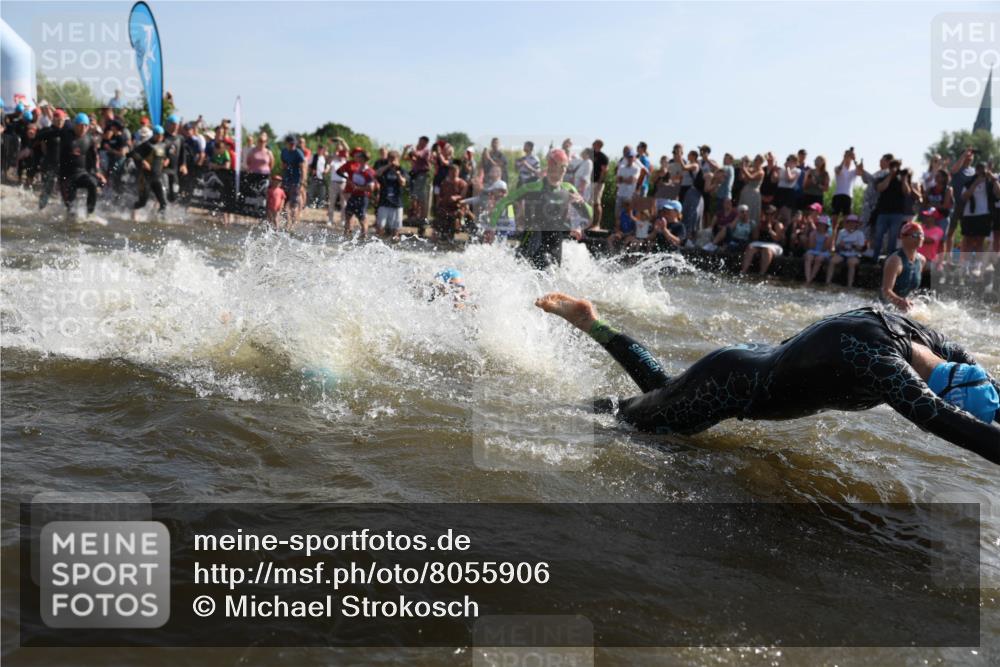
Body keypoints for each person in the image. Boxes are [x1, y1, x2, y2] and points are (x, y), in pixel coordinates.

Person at [534, 293, 1000, 464]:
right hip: (729, 386)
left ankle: (590, 320)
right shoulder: (879, 361)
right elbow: (938, 417)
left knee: (662, 390)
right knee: (629, 419)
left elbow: (978, 384)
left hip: (745, 360)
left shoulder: (924, 338)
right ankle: (545, 408)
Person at [487, 148, 592, 269]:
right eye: (561, 166)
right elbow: (504, 202)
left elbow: (588, 214)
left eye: (566, 166)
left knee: (552, 279)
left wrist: (582, 203)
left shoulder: (568, 189)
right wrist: (492, 227)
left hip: (555, 244)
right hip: (532, 240)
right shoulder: (532, 188)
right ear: (551, 165)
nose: (564, 170)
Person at [59, 113, 106, 220]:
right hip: (66, 177)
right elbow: (51, 131)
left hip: (81, 174)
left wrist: (98, 171)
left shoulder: (89, 139)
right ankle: (68, 223)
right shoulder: (65, 134)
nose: (83, 129)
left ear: (88, 127)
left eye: (85, 126)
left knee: (93, 184)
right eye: (80, 126)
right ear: (75, 125)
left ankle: (90, 214)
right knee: (71, 210)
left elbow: (95, 157)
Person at [957, 162, 996, 273]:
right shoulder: (969, 182)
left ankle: (977, 266)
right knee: (968, 241)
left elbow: (998, 193)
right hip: (969, 214)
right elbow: (964, 197)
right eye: (978, 169)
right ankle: (965, 265)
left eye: (982, 169)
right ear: (976, 170)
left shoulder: (990, 182)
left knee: (979, 242)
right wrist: (976, 183)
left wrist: (993, 178)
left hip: (984, 214)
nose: (981, 172)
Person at [880, 221, 926, 312]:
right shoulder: (895, 260)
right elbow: (886, 291)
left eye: (922, 234)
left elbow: (911, 290)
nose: (920, 238)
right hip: (886, 308)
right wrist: (900, 302)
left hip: (906, 307)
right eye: (915, 235)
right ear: (903, 237)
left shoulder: (921, 260)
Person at [872, 159, 912, 259]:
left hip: (897, 213)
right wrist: (890, 176)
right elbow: (880, 188)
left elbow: (907, 192)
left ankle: (889, 259)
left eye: (897, 166)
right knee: (878, 236)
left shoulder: (902, 179)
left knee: (892, 237)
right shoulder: (883, 177)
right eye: (893, 166)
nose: (895, 168)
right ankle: (875, 257)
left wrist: (904, 180)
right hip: (883, 212)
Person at [336, 147, 377, 238]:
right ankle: (347, 235)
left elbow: (371, 188)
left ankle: (364, 236)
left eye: (358, 156)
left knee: (362, 218)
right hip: (353, 196)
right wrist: (350, 181)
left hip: (362, 197)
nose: (356, 157)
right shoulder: (358, 169)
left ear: (362, 159)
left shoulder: (369, 172)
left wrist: (357, 187)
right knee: (348, 214)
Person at [131, 124, 169, 219]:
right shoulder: (147, 145)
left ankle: (159, 218)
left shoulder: (163, 145)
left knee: (163, 203)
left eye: (161, 135)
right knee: (143, 202)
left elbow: (165, 156)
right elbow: (134, 153)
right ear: (154, 134)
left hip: (157, 178)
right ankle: (133, 211)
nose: (160, 137)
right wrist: (143, 161)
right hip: (146, 178)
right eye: (158, 135)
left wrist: (167, 160)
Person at [740, 205, 785, 275]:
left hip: (774, 245)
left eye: (771, 214)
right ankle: (743, 271)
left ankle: (762, 273)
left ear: (774, 214)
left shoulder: (778, 224)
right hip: (760, 243)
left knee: (766, 250)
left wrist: (770, 230)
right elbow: (755, 237)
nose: (768, 216)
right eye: (767, 214)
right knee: (750, 248)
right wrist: (758, 228)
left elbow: (778, 239)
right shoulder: (761, 223)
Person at [826, 214, 866, 287]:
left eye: (854, 222)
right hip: (842, 253)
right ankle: (828, 282)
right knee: (832, 261)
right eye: (850, 222)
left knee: (851, 263)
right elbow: (837, 246)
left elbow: (861, 248)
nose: (852, 224)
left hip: (855, 254)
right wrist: (841, 246)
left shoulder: (860, 234)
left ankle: (849, 285)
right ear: (847, 223)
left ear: (856, 224)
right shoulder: (842, 232)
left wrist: (853, 246)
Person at [375, 150, 407, 238]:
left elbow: (403, 183)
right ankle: (378, 246)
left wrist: (398, 175)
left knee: (396, 230)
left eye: (394, 159)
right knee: (380, 227)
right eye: (390, 159)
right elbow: (376, 173)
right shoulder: (384, 169)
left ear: (398, 159)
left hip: (397, 204)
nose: (392, 161)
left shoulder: (401, 170)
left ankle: (394, 248)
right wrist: (388, 165)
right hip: (384, 202)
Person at [434, 162, 467, 241]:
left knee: (454, 218)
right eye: (452, 171)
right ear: (449, 172)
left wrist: (456, 197)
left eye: (455, 171)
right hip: (445, 208)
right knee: (440, 220)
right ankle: (442, 239)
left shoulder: (462, 183)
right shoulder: (444, 183)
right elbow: (440, 196)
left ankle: (458, 226)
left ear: (458, 172)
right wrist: (438, 206)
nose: (454, 173)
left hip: (456, 208)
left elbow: (464, 196)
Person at [404, 136, 432, 224]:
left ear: (425, 143)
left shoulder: (426, 151)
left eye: (421, 141)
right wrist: (405, 149)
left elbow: (418, 155)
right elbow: (404, 158)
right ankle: (414, 214)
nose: (419, 143)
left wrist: (412, 149)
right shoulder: (417, 150)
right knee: (413, 195)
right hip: (415, 175)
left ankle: (422, 216)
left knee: (419, 195)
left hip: (422, 174)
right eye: (419, 141)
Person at [280, 135, 306, 225]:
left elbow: (303, 168)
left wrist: (302, 182)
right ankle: (287, 222)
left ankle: (293, 225)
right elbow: (282, 165)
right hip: (286, 180)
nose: (292, 145)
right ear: (287, 144)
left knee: (294, 204)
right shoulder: (284, 152)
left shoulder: (298, 153)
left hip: (296, 181)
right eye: (291, 144)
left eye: (294, 144)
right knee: (283, 203)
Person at [832, 148, 859, 226]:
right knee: (834, 218)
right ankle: (834, 235)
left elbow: (860, 171)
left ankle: (845, 235)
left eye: (849, 156)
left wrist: (854, 160)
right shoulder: (838, 167)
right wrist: (844, 159)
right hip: (837, 195)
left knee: (847, 218)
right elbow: (838, 171)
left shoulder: (853, 171)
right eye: (846, 156)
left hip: (848, 196)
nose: (847, 158)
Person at [803, 216, 833, 285]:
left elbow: (825, 249)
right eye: (820, 224)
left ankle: (811, 278)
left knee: (819, 258)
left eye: (823, 225)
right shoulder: (813, 233)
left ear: (826, 226)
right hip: (813, 250)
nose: (821, 226)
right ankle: (807, 278)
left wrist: (826, 240)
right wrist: (813, 238)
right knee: (808, 257)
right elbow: (811, 247)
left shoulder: (829, 235)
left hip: (824, 252)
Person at [590, 139, 609, 228]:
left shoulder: (603, 157)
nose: (592, 144)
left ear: (599, 145)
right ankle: (590, 223)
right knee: (589, 203)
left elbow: (604, 171)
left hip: (598, 183)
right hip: (589, 182)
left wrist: (599, 183)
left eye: (594, 143)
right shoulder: (591, 154)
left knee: (597, 203)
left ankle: (597, 224)